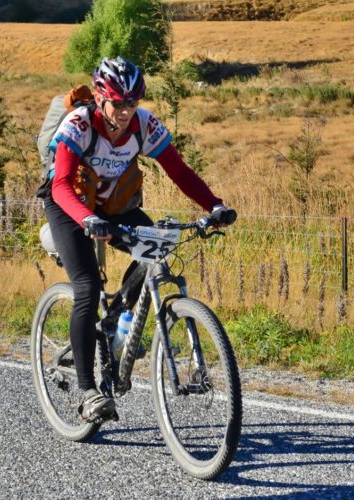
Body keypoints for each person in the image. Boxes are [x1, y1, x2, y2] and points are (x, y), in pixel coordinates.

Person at [43, 56, 235, 423]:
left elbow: (179, 171)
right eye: (118, 103)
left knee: (157, 249)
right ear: (101, 98)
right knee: (87, 288)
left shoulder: (144, 125)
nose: (126, 111)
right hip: (69, 206)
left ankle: (116, 319)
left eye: (132, 102)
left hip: (113, 206)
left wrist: (214, 205)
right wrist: (87, 219)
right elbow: (61, 184)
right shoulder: (79, 124)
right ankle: (88, 392)